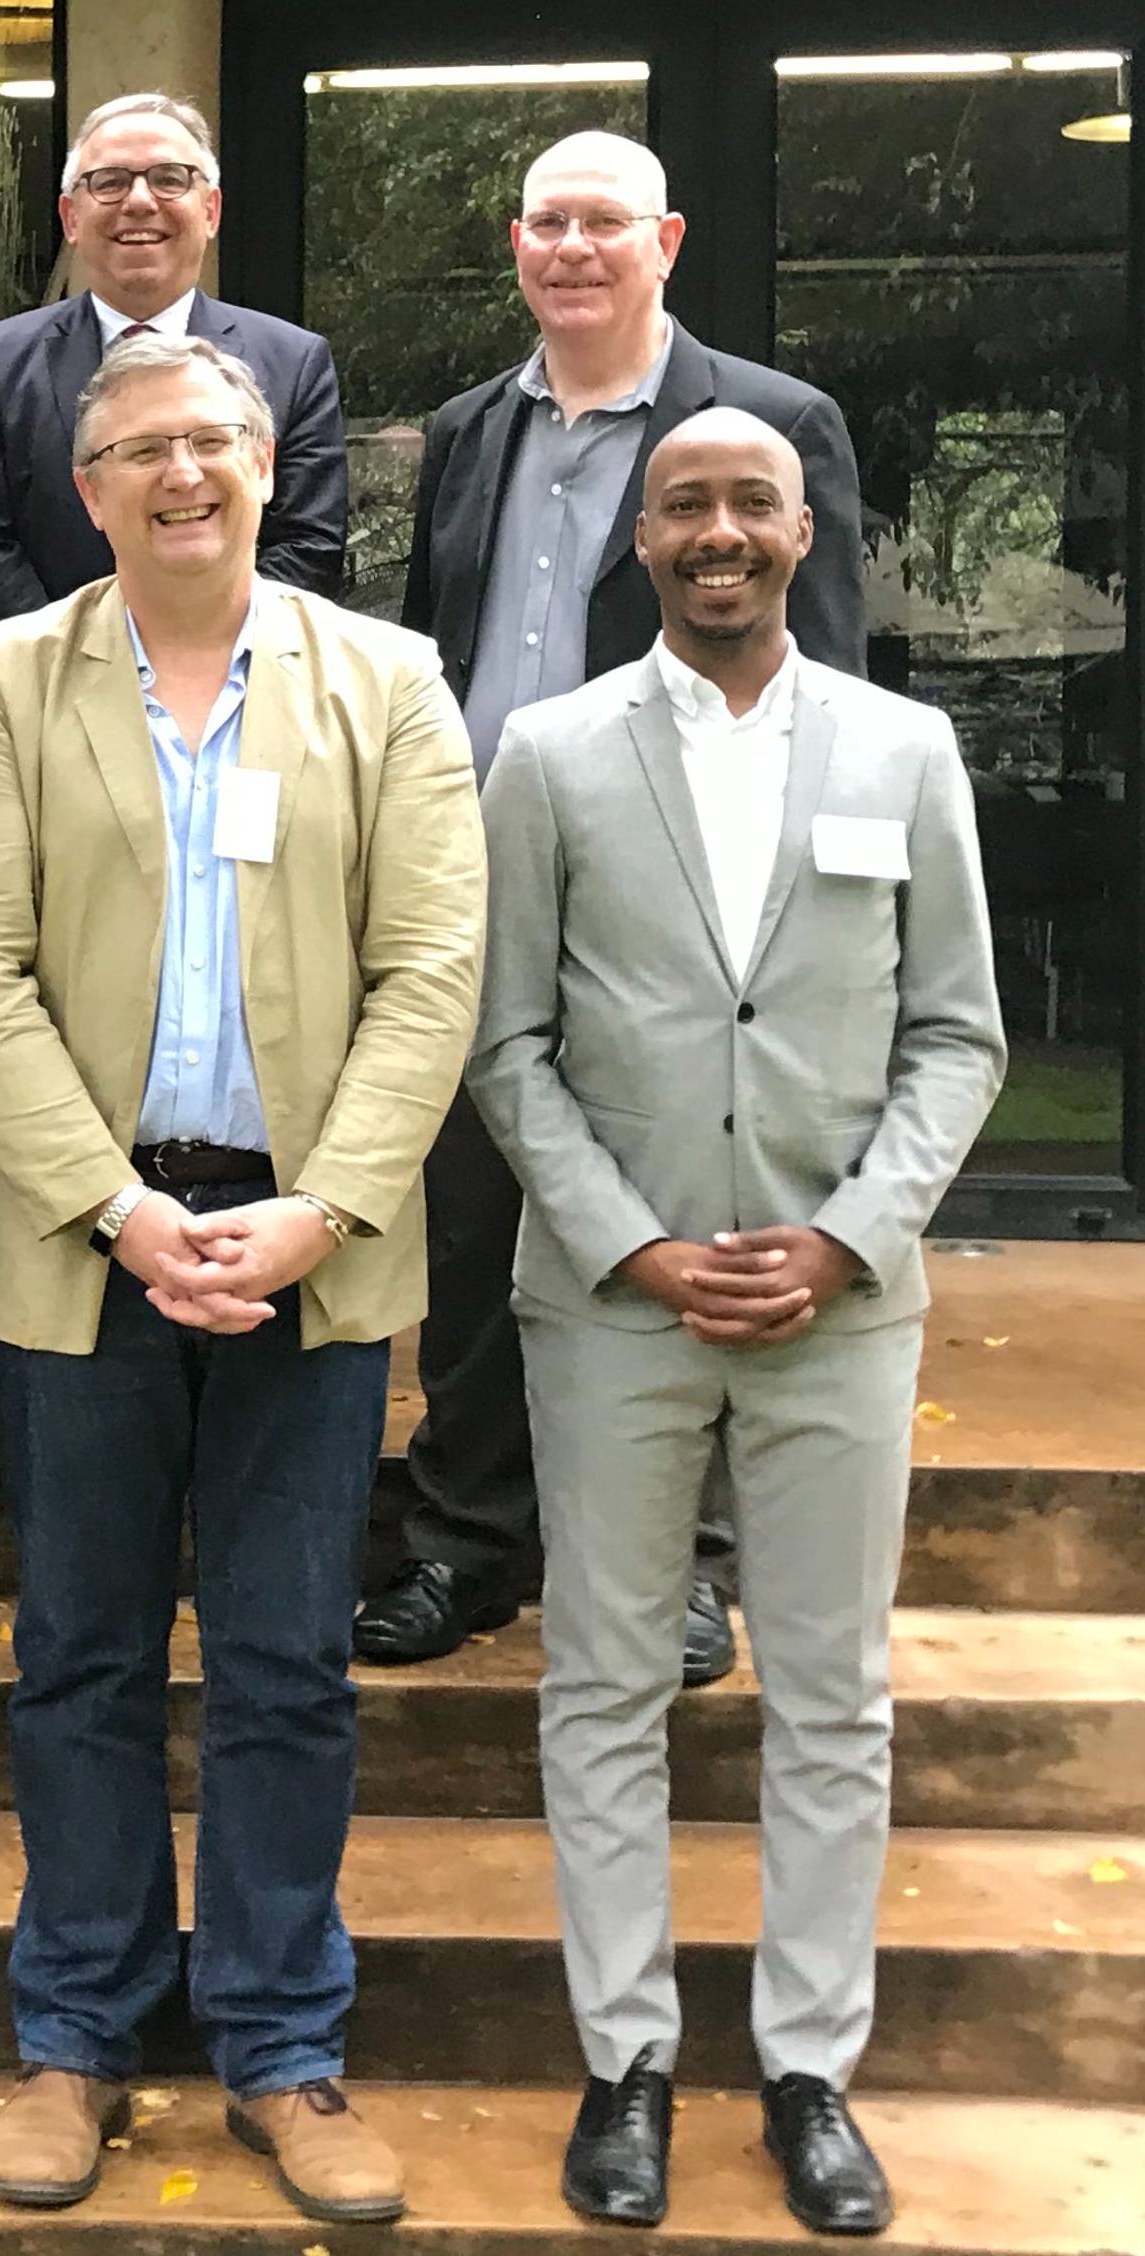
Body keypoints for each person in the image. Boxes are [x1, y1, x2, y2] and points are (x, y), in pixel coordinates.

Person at [0, 333, 484, 2227]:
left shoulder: (388, 683)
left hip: (309, 1256)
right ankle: (72, 2038)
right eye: (139, 446)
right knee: (77, 1654)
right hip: (88, 1256)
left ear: (266, 466)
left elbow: (429, 972)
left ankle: (281, 2049)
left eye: (213, 440)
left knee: (283, 1662)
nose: (180, 472)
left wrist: (321, 1207)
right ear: (84, 489)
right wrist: (111, 1207)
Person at [467, 408, 1002, 2236]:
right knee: (603, 1683)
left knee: (831, 1701)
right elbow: (505, 1044)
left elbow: (956, 1036)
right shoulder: (542, 753)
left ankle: (807, 2070)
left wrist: (850, 1240)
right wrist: (630, 1246)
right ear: (639, 541)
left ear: (799, 531)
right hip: (614, 1305)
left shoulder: (905, 748)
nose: (715, 531)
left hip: (840, 1310)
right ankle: (624, 2058)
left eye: (746, 504)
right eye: (680, 503)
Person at [371, 128, 869, 1678]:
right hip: (474, 878)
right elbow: (427, 645)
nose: (569, 249)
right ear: (513, 247)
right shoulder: (467, 428)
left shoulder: (766, 423)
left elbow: (825, 672)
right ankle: (465, 1545)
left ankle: (686, 1566)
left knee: (684, 1214)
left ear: (661, 240)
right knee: (474, 1221)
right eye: (542, 225)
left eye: (600, 223)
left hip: (680, 887)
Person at [0, 92, 348, 634]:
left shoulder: (294, 361)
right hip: (50, 687)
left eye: (169, 178)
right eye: (109, 182)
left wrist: (203, 652)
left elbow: (309, 542)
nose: (138, 201)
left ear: (211, 210)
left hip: (243, 684)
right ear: (71, 217)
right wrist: (74, 657)